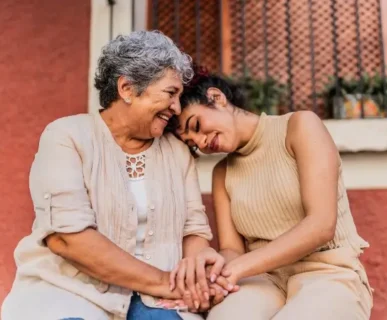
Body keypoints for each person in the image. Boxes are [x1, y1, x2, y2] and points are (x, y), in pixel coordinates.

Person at [1, 31, 231, 320]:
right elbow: (68, 239)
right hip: (71, 290)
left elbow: (193, 231)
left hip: (157, 299)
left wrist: (199, 273)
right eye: (171, 93)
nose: (176, 107)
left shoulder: (176, 152)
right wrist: (166, 283)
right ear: (127, 88)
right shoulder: (67, 137)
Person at [173, 72, 374, 319]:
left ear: (216, 98)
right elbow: (232, 250)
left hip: (329, 272)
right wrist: (215, 276)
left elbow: (321, 225)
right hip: (263, 280)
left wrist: (235, 269)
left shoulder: (300, 126)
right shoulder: (222, 173)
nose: (202, 143)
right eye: (193, 144)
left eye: (196, 126)